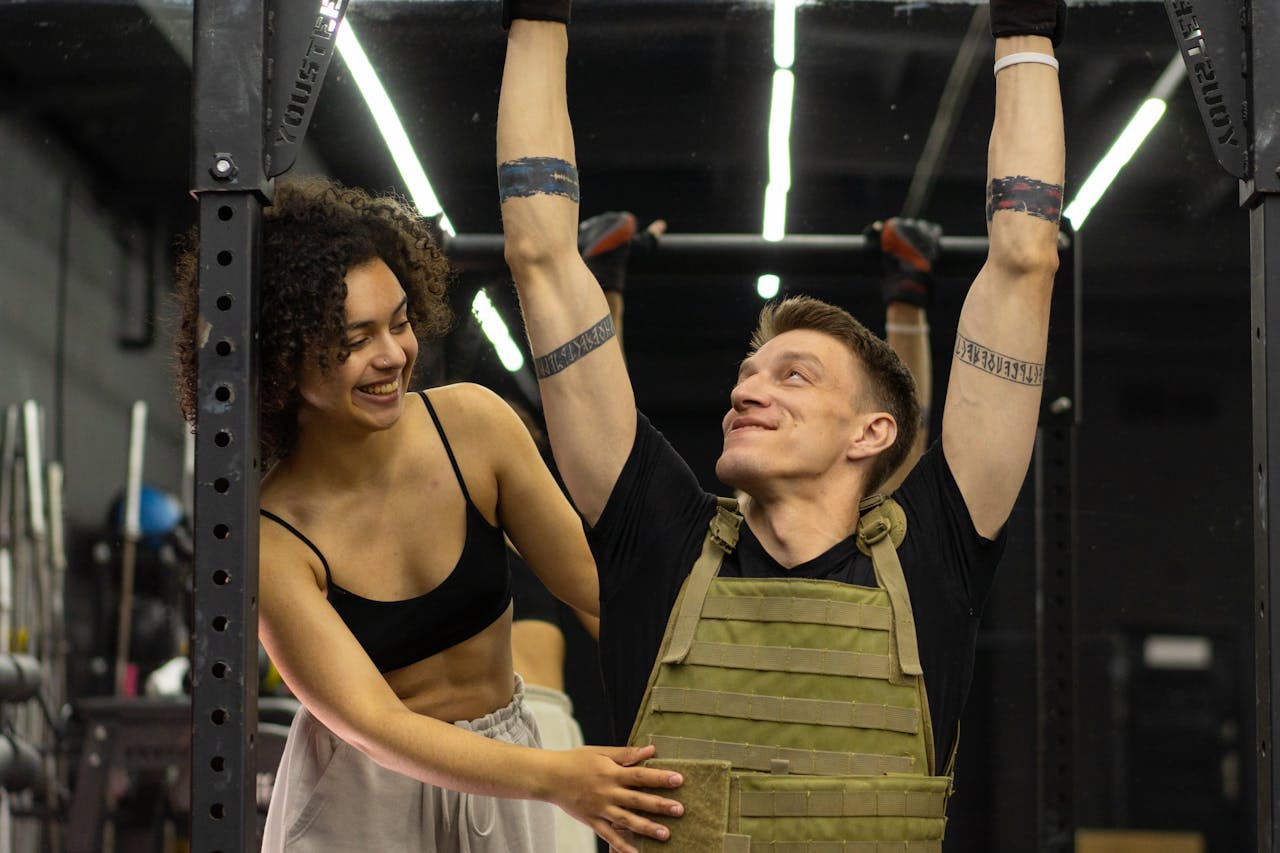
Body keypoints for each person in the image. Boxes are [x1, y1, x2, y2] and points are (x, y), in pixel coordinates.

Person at [496, 0, 1064, 845]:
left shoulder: (935, 558)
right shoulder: (661, 545)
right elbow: (541, 254)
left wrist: (1026, 28)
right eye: (745, 374)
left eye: (792, 375)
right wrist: (537, 17)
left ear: (871, 433)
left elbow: (1024, 260)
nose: (746, 392)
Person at [172, 176, 683, 853]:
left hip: (507, 771)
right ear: (284, 358)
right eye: (355, 339)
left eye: (400, 322)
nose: (392, 355)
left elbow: (600, 589)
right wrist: (559, 777)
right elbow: (375, 723)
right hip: (366, 790)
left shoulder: (474, 426)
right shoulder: (272, 537)